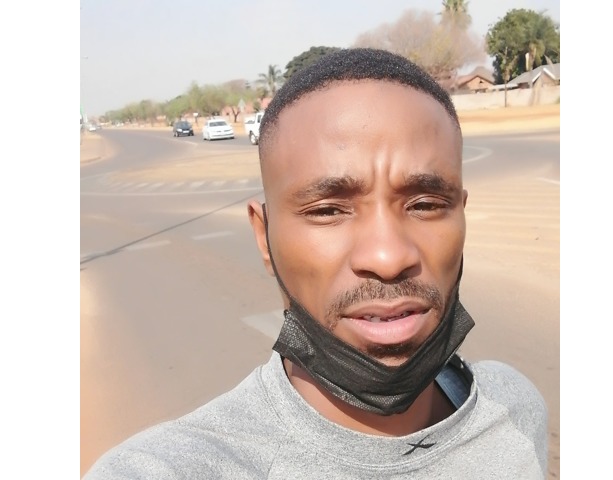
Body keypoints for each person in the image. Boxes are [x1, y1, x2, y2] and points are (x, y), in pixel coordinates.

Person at [84, 48, 548, 479]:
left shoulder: (514, 407)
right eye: (328, 210)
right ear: (264, 237)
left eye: (425, 204)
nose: (388, 258)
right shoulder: (164, 469)